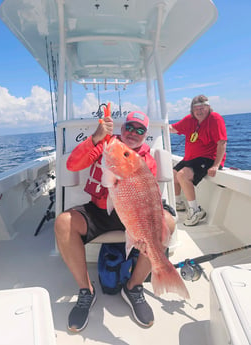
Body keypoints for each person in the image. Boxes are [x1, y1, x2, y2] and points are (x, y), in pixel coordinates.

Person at [54, 110, 176, 332]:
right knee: (63, 223)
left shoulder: (147, 159)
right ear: (122, 128)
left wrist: (140, 232)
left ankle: (134, 286)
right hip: (100, 211)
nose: (133, 133)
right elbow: (72, 165)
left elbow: (148, 199)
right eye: (129, 127)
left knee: (166, 222)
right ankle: (86, 292)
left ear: (145, 134)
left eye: (140, 130)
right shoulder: (107, 146)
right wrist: (96, 138)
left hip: (131, 213)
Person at [169, 95, 227, 226]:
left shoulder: (215, 118)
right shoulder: (190, 119)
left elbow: (222, 143)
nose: (200, 111)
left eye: (203, 108)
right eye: (197, 109)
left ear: (208, 108)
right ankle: (178, 203)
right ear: (192, 110)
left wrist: (216, 165)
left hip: (208, 158)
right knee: (172, 174)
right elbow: (173, 128)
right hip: (190, 158)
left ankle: (195, 210)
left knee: (182, 175)